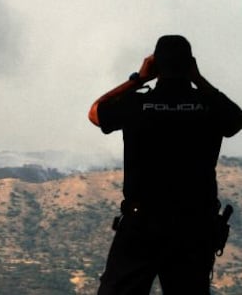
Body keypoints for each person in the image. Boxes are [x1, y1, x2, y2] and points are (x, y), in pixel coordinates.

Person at [88, 35, 242, 295]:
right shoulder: (208, 106)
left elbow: (96, 111)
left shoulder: (137, 104)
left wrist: (138, 78)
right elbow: (236, 120)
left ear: (155, 65)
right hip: (193, 227)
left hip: (141, 224)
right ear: (191, 65)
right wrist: (199, 79)